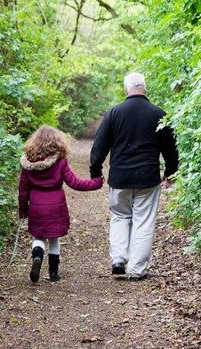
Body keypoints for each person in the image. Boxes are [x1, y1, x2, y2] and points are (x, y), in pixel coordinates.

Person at [89, 72, 179, 280]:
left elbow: (99, 146)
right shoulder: (159, 114)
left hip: (120, 178)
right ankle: (137, 269)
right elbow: (171, 149)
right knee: (143, 221)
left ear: (125, 89)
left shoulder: (114, 113)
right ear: (145, 89)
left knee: (120, 216)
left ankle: (119, 259)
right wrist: (170, 172)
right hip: (147, 178)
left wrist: (96, 172)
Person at [19, 125, 103, 282]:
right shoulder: (60, 162)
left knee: (39, 236)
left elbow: (23, 190)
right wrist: (96, 183)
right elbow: (75, 183)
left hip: (36, 206)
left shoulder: (27, 164)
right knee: (54, 238)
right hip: (56, 205)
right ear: (57, 142)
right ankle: (53, 274)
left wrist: (23, 211)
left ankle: (37, 257)